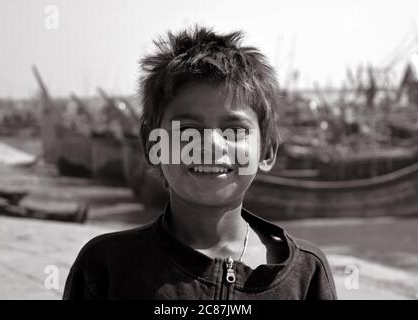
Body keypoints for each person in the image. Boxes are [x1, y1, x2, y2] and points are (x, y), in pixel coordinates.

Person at [63, 26, 337, 300]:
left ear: (266, 150)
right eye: (187, 130)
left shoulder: (306, 274)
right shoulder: (106, 268)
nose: (211, 144)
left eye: (234, 131)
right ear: (153, 145)